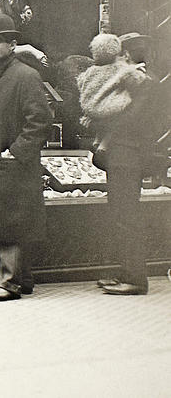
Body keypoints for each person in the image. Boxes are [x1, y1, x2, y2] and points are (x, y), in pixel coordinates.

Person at [0, 13, 52, 302]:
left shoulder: (26, 76)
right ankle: (24, 279)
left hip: (12, 163)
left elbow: (40, 121)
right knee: (10, 220)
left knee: (10, 222)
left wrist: (15, 151)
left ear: (13, 44)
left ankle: (8, 283)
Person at [76, 33, 156, 295]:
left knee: (127, 217)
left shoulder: (144, 85)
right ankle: (125, 273)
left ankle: (135, 280)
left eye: (121, 55)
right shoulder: (132, 84)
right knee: (121, 215)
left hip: (128, 156)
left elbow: (128, 121)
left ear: (128, 55)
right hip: (121, 156)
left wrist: (99, 122)